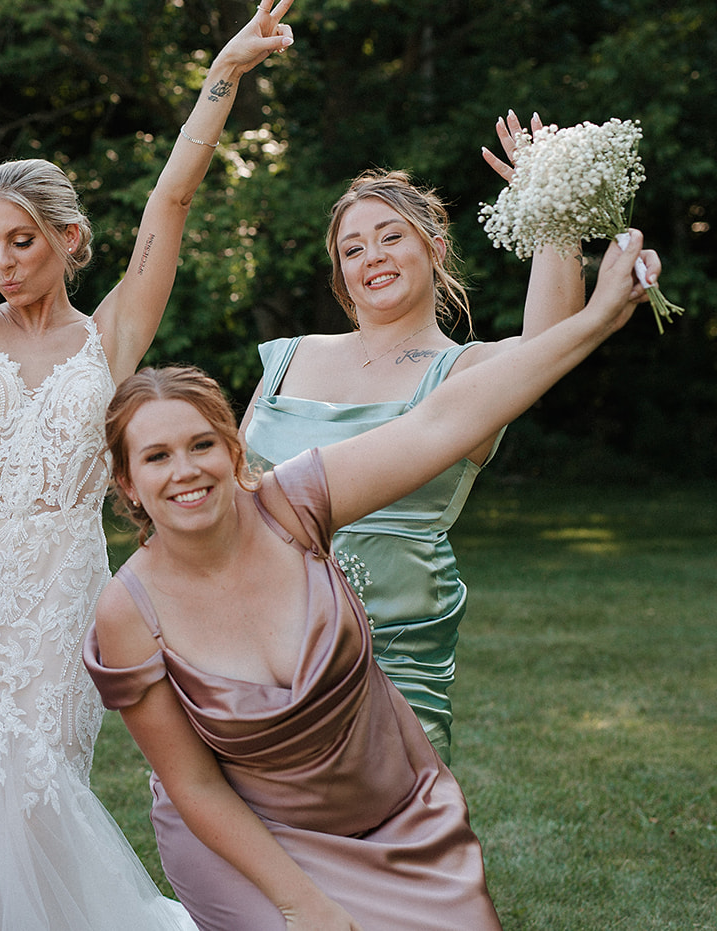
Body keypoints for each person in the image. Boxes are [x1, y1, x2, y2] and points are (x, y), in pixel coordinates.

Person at [0, 0, 298, 929]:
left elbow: (168, 203)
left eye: (21, 242)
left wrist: (222, 75)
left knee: (31, 782)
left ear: (69, 239)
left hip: (59, 590)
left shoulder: (110, 339)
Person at [84, 231, 659, 931]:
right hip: (250, 843)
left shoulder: (297, 505)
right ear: (128, 483)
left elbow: (445, 419)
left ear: (234, 448)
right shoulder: (126, 610)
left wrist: (598, 316)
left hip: (395, 815)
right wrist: (302, 905)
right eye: (158, 456)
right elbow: (194, 784)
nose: (186, 470)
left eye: (203, 443)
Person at [238, 116, 582, 761]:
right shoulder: (287, 358)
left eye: (391, 237)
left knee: (391, 837)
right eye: (353, 248)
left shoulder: (468, 371)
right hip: (258, 645)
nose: (373, 257)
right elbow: (235, 494)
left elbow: (552, 341)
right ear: (340, 274)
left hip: (393, 650)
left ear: (433, 248)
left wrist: (553, 203)